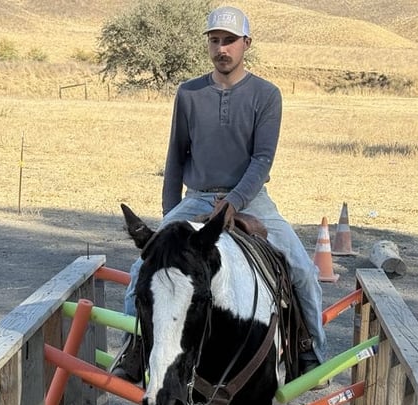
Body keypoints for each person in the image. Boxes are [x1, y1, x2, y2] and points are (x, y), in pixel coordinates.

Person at [113, 5, 327, 382]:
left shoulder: (266, 95)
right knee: (140, 270)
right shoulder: (189, 93)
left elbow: (262, 160)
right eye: (215, 40)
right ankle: (137, 348)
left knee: (303, 271)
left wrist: (234, 202)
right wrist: (170, 218)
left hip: (251, 197)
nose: (221, 49)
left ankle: (310, 350)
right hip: (196, 198)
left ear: (246, 43)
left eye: (229, 41)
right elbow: (175, 157)